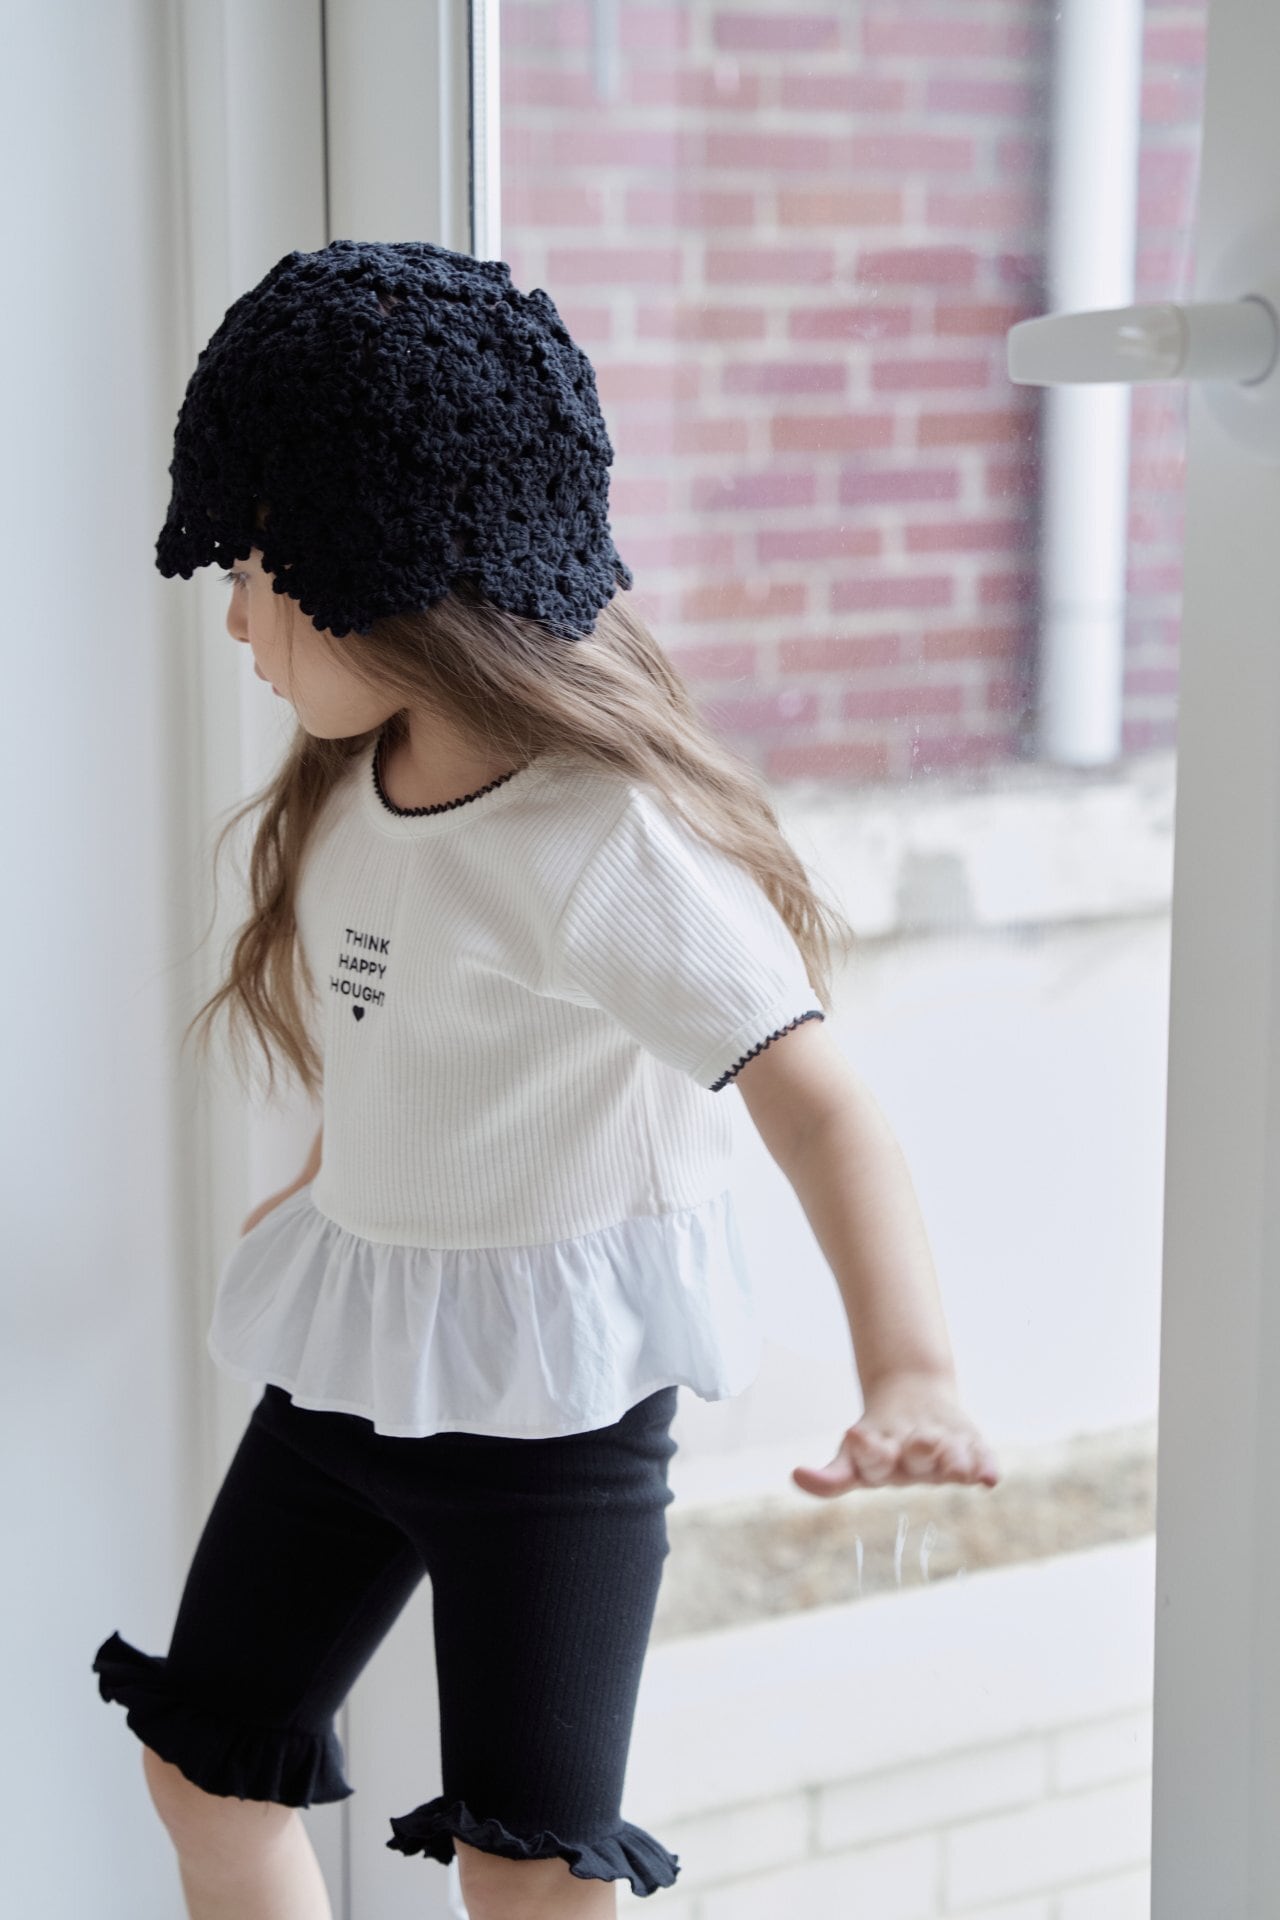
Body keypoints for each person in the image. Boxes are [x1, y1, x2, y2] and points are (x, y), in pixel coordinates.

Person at [92, 237, 1001, 1920]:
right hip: (354, 1361)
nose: (232, 617)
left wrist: (915, 1372)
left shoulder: (606, 846)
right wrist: (328, 1185)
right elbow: (416, 1034)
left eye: (258, 570)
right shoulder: (355, 777)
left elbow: (821, 1107)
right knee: (207, 1766)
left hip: (553, 1426)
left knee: (528, 1877)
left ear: (379, 570)